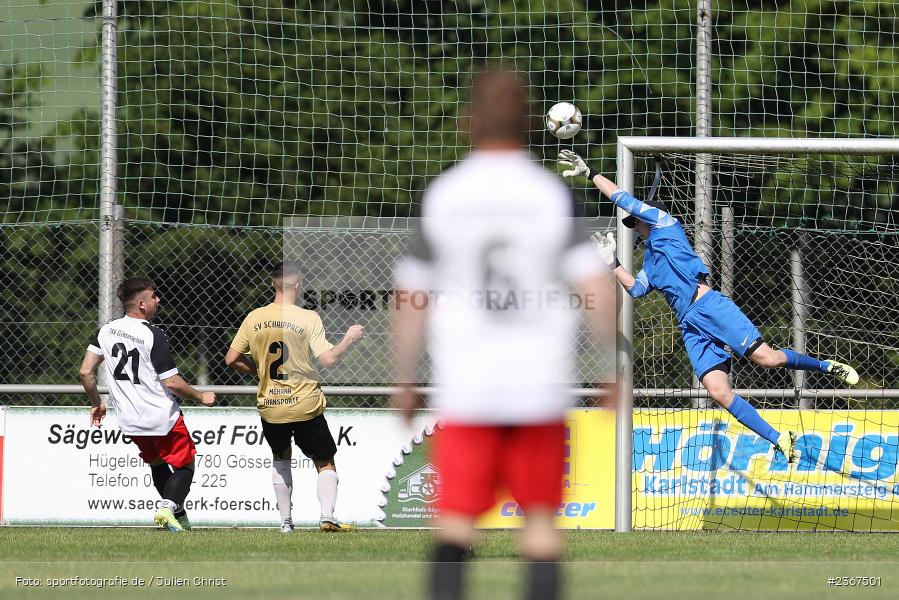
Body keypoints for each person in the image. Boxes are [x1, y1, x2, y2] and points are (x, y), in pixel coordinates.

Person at [392, 69, 615, 600]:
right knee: (539, 527)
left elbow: (412, 296)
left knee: (455, 526)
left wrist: (402, 377)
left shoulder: (445, 194)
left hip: (468, 388)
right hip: (538, 387)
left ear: (467, 123)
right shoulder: (550, 196)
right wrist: (612, 366)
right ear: (533, 123)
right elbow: (596, 288)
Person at [557, 149, 860, 461]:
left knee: (767, 359)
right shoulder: (649, 259)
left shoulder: (665, 224)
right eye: (632, 224)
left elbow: (623, 198)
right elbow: (636, 289)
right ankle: (778, 438)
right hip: (689, 324)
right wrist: (614, 263)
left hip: (709, 307)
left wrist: (590, 174)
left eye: (635, 222)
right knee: (718, 391)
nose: (634, 226)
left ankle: (827, 366)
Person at [225, 261, 364, 533]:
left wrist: (260, 372)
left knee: (280, 457)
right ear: (298, 284)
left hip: (271, 405)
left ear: (272, 283)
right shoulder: (307, 317)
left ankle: (286, 523)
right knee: (324, 462)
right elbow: (329, 359)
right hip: (305, 405)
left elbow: (231, 358)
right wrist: (349, 338)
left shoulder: (254, 317)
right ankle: (326, 517)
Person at [79, 277, 216, 532]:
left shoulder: (105, 331)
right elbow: (172, 382)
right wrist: (201, 397)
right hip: (161, 416)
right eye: (154, 296)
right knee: (186, 464)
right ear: (142, 304)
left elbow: (86, 372)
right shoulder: (152, 334)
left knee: (156, 463)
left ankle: (179, 518)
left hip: (130, 420)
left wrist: (97, 402)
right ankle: (167, 508)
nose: (158, 300)